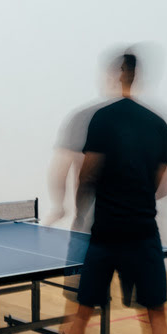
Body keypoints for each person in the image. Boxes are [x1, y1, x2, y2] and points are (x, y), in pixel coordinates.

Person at [41, 50, 167, 334]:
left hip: (101, 234)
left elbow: (88, 174)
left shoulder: (100, 119)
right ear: (137, 76)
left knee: (79, 314)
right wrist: (137, 196)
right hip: (142, 234)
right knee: (156, 318)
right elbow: (165, 185)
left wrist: (80, 209)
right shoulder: (160, 125)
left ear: (116, 74)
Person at [46, 49, 127, 231]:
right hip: (133, 226)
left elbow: (60, 169)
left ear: (110, 78)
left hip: (89, 226)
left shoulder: (83, 117)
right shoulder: (148, 124)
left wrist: (58, 207)